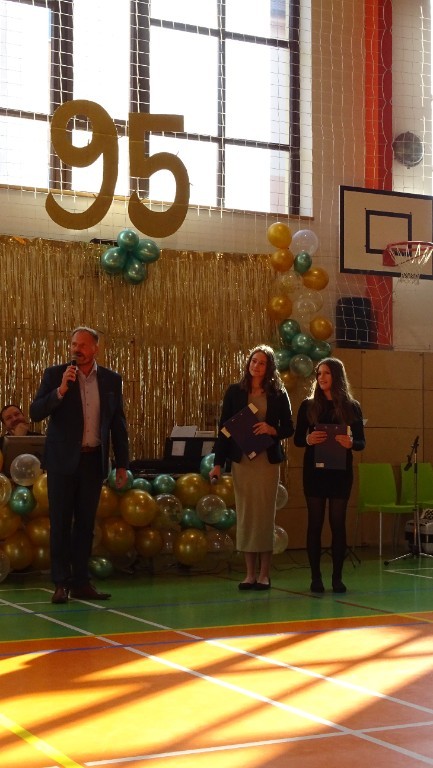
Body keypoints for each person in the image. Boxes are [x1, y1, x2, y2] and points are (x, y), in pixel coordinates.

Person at [30, 326, 130, 604]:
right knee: (60, 523)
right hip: (62, 461)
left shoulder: (111, 380)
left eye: (83, 345)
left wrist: (122, 464)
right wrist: (61, 390)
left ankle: (81, 582)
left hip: (93, 460)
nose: (77, 349)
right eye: (74, 344)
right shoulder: (55, 375)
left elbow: (117, 424)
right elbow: (35, 412)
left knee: (85, 525)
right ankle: (61, 583)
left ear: (95, 348)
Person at [209, 344, 294, 590]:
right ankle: (249, 574)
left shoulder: (278, 393)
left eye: (262, 363)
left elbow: (289, 428)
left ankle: (264, 574)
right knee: (246, 515)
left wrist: (272, 429)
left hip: (266, 462)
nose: (256, 366)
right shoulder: (235, 392)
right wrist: (217, 463)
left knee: (265, 516)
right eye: (253, 361)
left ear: (269, 368)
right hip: (243, 462)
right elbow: (224, 429)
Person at [293, 357, 365, 594]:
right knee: (315, 523)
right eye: (319, 373)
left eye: (326, 373)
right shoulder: (308, 405)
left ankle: (337, 578)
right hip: (315, 472)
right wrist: (308, 439)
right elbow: (297, 439)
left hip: (340, 473)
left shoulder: (352, 406)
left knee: (338, 524)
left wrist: (351, 443)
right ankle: (316, 577)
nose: (321, 377)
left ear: (337, 376)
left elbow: (361, 442)